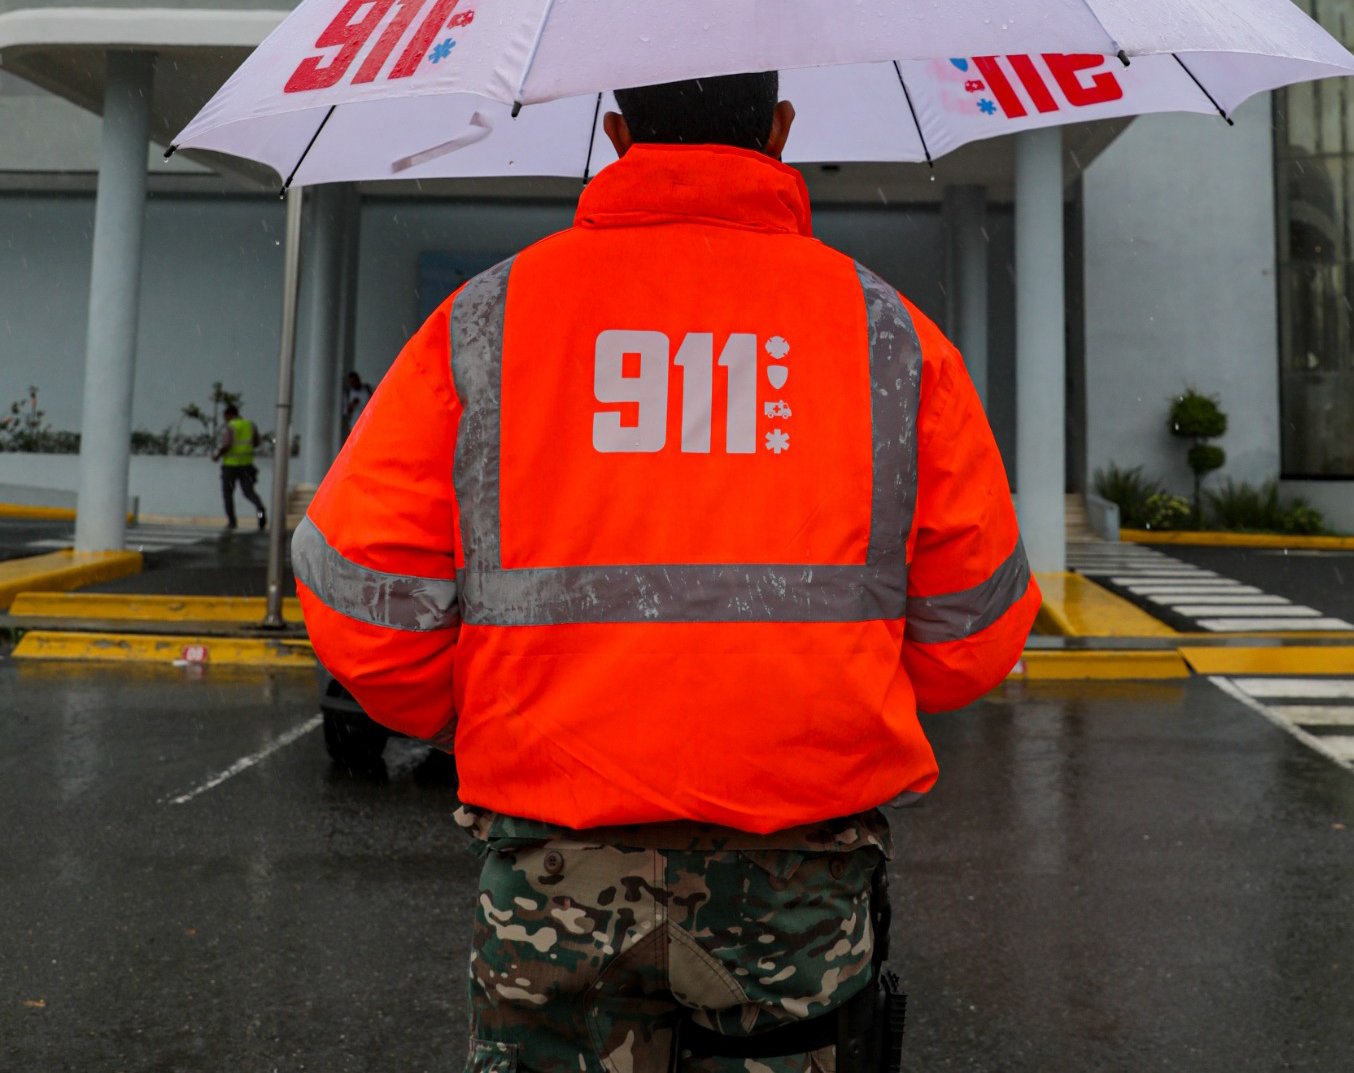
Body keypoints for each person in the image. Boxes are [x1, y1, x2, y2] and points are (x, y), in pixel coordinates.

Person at [294, 72, 1039, 1073]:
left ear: (614, 131)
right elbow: (973, 627)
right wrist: (819, 704)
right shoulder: (887, 334)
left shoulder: (487, 319)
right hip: (796, 869)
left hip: (555, 858)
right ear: (780, 126)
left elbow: (355, 591)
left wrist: (499, 714)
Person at [213, 401, 265, 532]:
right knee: (249, 493)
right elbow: (256, 442)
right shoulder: (250, 425)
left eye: (225, 416)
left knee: (228, 495)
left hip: (230, 466)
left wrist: (217, 456)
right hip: (247, 465)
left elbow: (226, 445)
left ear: (229, 414)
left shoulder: (229, 426)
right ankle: (260, 511)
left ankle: (232, 522)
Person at [341, 370, 371, 437]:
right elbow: (345, 412)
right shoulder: (348, 393)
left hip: (368, 421)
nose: (354, 383)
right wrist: (352, 405)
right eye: (352, 382)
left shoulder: (367, 389)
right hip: (355, 425)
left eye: (355, 381)